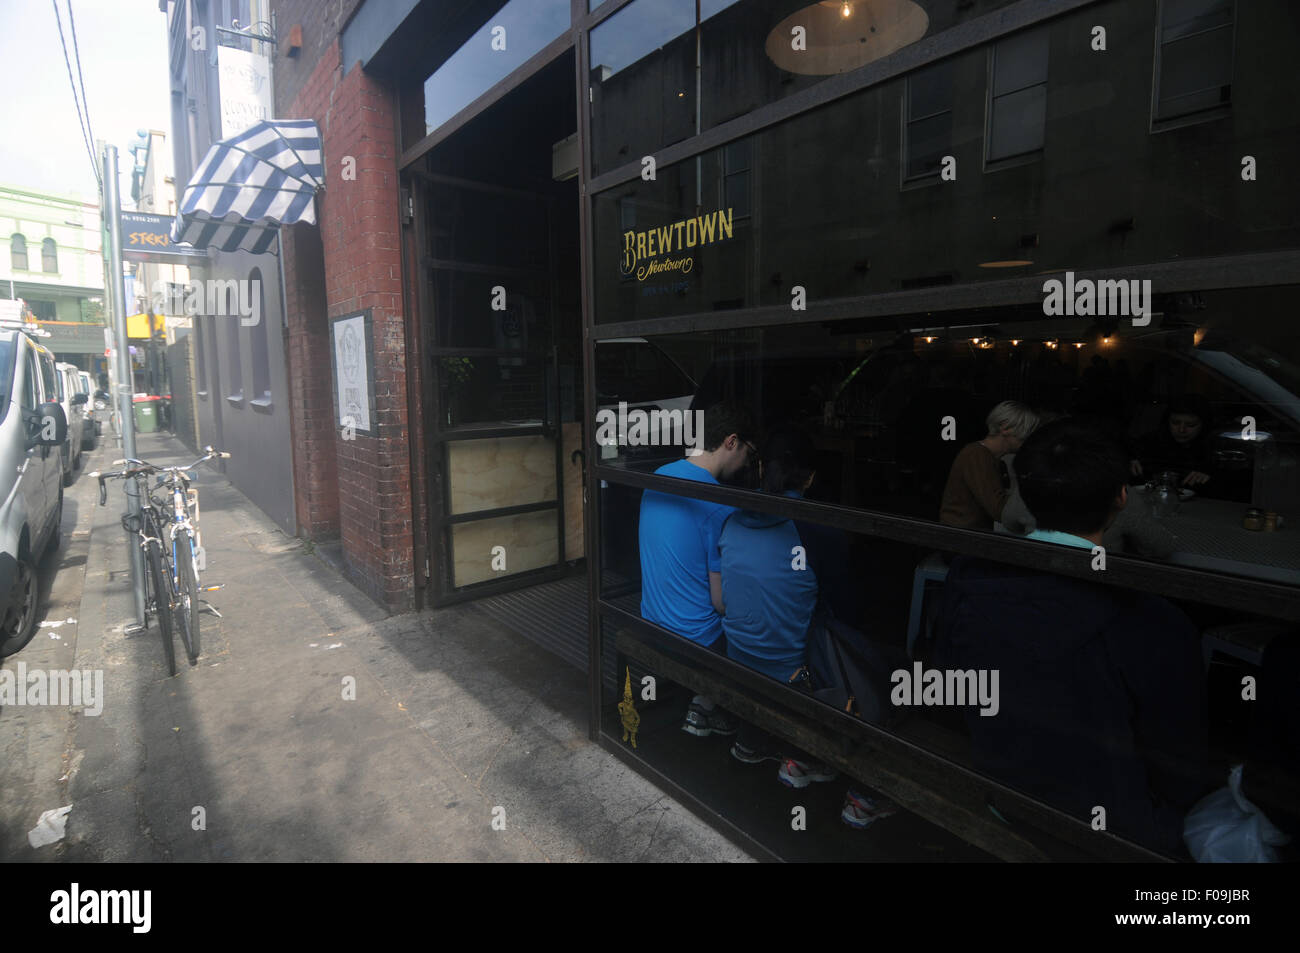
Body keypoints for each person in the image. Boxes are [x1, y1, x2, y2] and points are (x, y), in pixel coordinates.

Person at [934, 419, 1211, 855]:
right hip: (1117, 829)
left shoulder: (968, 580)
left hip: (1004, 792)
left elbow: (950, 689)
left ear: (1024, 493)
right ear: (1123, 497)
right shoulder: (1154, 622)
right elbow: (1181, 769)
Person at [718, 427, 895, 827]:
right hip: (794, 677)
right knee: (876, 668)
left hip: (738, 658)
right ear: (810, 478)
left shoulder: (732, 515)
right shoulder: (817, 526)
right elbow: (846, 609)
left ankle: (794, 754)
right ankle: (811, 759)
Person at [639, 400, 757, 737]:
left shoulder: (660, 476)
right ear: (731, 442)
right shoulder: (719, 504)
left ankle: (702, 706)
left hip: (652, 621)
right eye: (749, 453)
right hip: (695, 640)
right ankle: (709, 707)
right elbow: (721, 603)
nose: (748, 462)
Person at [939, 400, 1039, 530]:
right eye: (1026, 431)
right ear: (1005, 428)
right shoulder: (976, 455)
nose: (1028, 438)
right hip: (961, 537)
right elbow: (999, 510)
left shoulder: (986, 456)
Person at [1132, 393, 1218, 490]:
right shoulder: (1148, 442)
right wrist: (1130, 460)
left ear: (1204, 425)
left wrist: (1208, 474)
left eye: (1191, 425)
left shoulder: (1215, 448)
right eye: (1175, 423)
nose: (1181, 430)